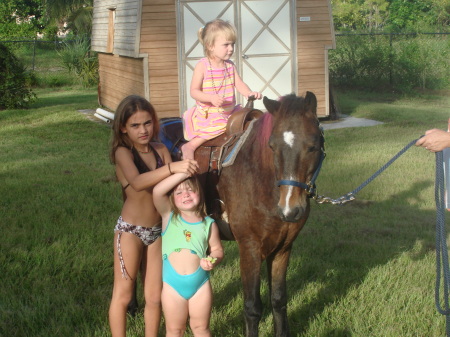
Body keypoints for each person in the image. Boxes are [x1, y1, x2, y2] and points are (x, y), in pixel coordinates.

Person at [108, 95, 198, 337]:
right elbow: (137, 182)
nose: (143, 130)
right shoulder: (123, 153)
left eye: (147, 123)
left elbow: (173, 187)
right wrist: (172, 168)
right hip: (130, 232)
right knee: (124, 295)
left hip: (157, 233)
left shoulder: (160, 150)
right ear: (123, 128)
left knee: (155, 297)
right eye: (135, 125)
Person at [153, 172, 224, 337]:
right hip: (172, 286)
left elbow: (217, 249)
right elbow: (157, 192)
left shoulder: (209, 224)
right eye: (179, 192)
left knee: (201, 328)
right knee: (175, 330)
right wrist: (184, 173)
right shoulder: (169, 217)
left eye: (191, 190)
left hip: (200, 285)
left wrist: (213, 259)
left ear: (200, 193)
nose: (185, 194)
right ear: (172, 198)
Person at [182, 18, 262, 159]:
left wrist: (249, 93)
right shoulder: (203, 66)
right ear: (210, 45)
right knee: (217, 129)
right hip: (211, 114)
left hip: (229, 111)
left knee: (250, 122)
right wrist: (210, 98)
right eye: (226, 45)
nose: (231, 49)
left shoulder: (230, 66)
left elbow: (239, 84)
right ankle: (189, 147)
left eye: (232, 44)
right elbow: (194, 91)